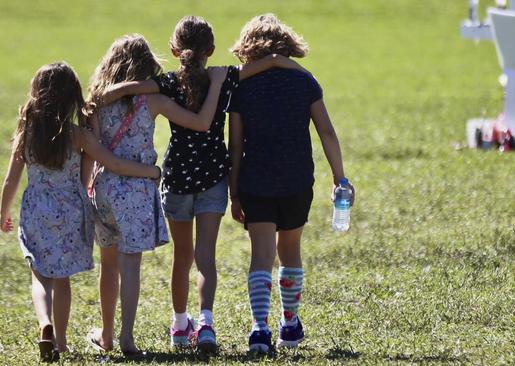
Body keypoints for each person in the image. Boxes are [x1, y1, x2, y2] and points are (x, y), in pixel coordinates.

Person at [97, 16, 309, 353]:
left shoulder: (166, 83)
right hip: (213, 176)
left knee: (182, 257)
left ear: (174, 49)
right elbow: (268, 63)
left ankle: (181, 325)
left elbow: (132, 88)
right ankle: (206, 323)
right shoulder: (222, 77)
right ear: (210, 50)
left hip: (178, 177)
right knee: (205, 256)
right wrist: (293, 68)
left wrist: (109, 92)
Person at [0, 62, 161, 362]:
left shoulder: (27, 132)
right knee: (62, 279)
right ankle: (60, 343)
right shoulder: (79, 136)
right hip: (72, 210)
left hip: (36, 210)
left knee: (39, 276)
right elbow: (113, 164)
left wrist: (2, 213)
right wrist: (150, 170)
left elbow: (11, 179)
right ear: (72, 97)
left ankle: (44, 323)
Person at [84, 34, 228, 357]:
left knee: (108, 265)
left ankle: (106, 335)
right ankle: (127, 340)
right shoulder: (154, 101)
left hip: (102, 188)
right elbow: (202, 123)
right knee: (130, 265)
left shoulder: (96, 101)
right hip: (135, 192)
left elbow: (91, 150)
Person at [228, 14, 355, 353]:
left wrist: (234, 191)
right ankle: (289, 324)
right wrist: (340, 177)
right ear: (288, 47)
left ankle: (259, 329)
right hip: (297, 179)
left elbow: (236, 144)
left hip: (255, 180)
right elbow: (326, 131)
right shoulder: (305, 81)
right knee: (290, 252)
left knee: (261, 255)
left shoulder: (242, 86)